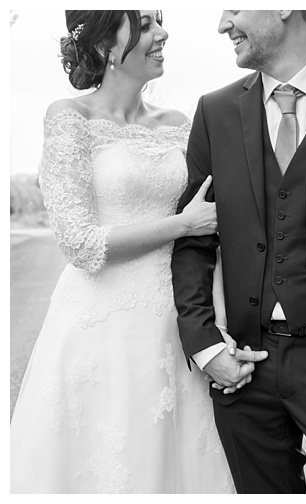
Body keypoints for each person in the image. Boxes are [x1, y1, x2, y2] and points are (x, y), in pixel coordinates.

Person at [9, 10, 259, 493]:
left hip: (175, 322)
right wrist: (181, 224)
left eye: (159, 22)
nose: (162, 34)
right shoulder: (69, 117)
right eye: (145, 25)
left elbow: (211, 236)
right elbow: (80, 243)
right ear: (106, 45)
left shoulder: (179, 124)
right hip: (100, 327)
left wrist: (218, 325)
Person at [171, 10, 306, 494]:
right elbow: (194, 241)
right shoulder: (215, 111)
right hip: (243, 365)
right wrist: (206, 346)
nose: (223, 24)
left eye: (234, 8)